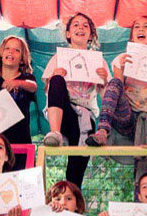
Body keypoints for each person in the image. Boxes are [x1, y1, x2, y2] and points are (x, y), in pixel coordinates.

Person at [85, 16, 147, 180]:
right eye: (137, 27)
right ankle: (102, 131)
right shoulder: (123, 59)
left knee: (145, 176)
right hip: (124, 116)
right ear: (132, 36)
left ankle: (142, 199)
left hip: (144, 122)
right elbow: (115, 89)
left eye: (146, 26)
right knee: (115, 82)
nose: (141, 29)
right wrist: (118, 69)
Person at [41, 12, 110, 188]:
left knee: (75, 174)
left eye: (85, 25)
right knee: (56, 80)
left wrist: (105, 81)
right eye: (76, 25)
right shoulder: (58, 58)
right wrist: (55, 76)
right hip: (64, 114)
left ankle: (73, 202)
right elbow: (48, 90)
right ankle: (55, 133)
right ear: (68, 34)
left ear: (91, 34)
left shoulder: (99, 61)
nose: (81, 27)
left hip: (86, 117)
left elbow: (108, 97)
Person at [0, 36, 37, 170]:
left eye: (16, 50)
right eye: (7, 48)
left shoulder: (27, 78)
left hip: (21, 142)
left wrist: (18, 83)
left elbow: (33, 86)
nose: (11, 52)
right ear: (1, 54)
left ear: (22, 58)